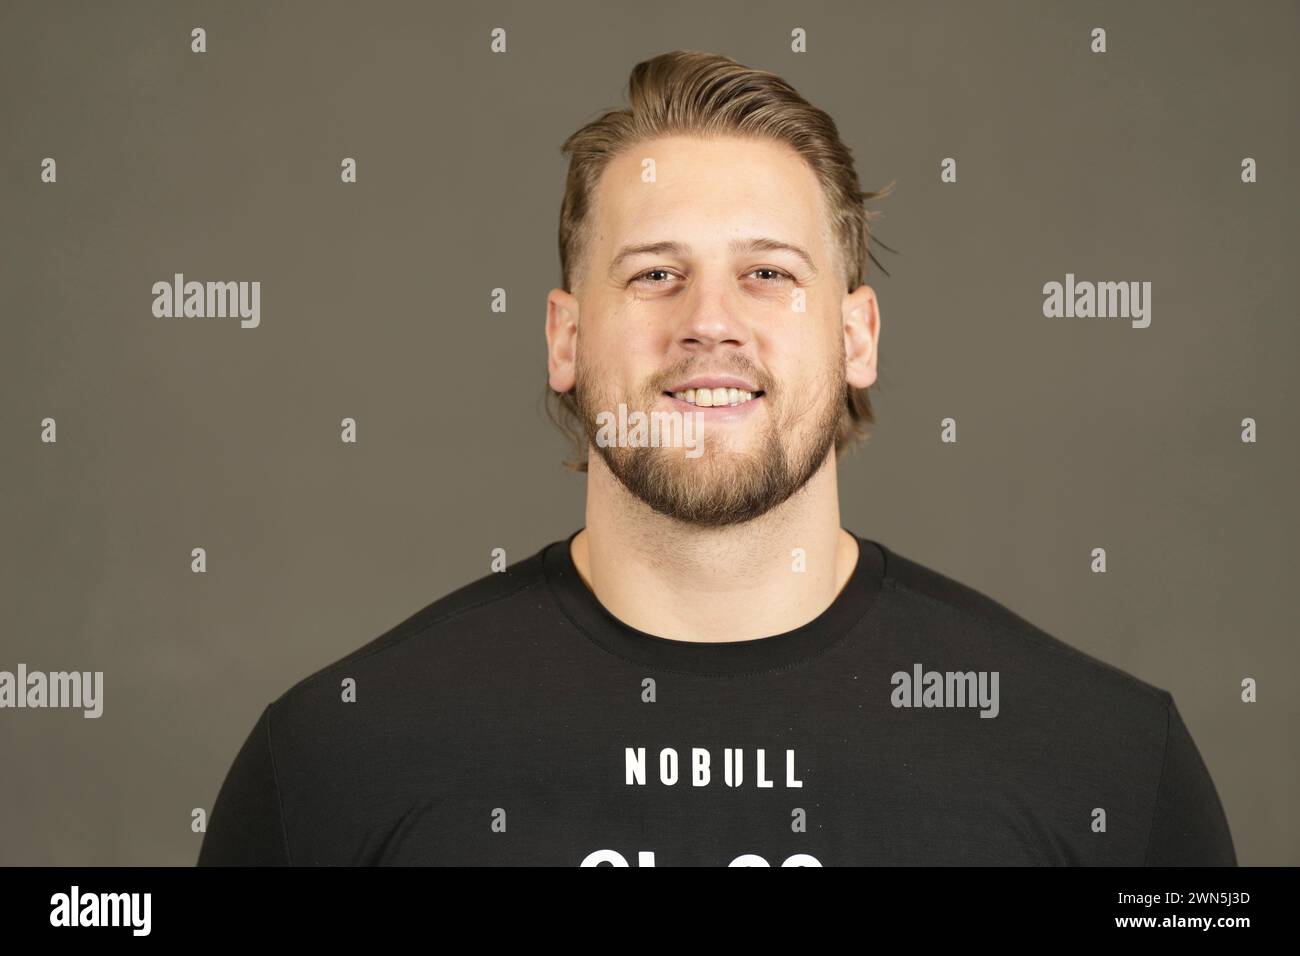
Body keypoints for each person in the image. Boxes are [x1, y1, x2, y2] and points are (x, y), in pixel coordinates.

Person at [197, 50, 1235, 866]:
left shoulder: (1103, 762)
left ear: (857, 333)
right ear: (563, 337)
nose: (710, 323)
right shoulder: (339, 756)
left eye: (769, 273)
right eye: (653, 273)